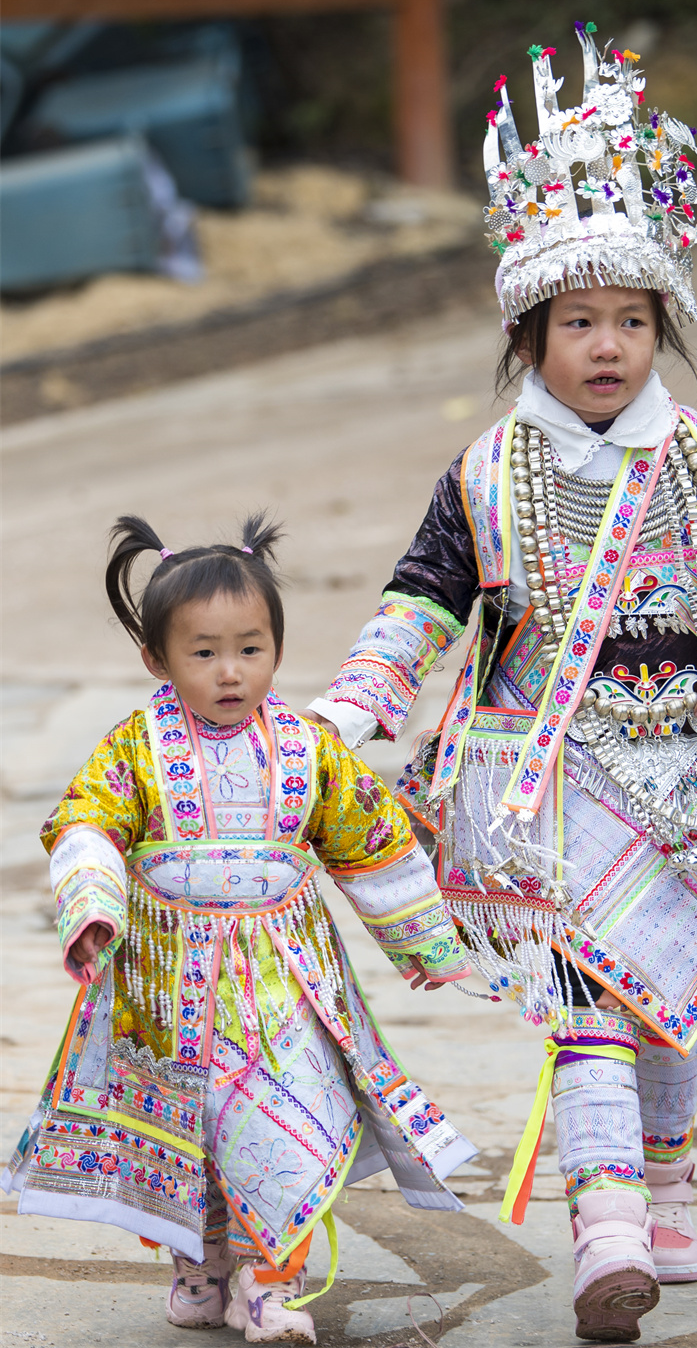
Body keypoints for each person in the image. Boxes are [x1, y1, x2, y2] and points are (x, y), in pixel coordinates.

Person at [305, 27, 697, 1344]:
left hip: (692, 770)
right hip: (545, 783)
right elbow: (425, 599)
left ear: (660, 327)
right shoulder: (487, 473)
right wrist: (356, 706)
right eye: (579, 322)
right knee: (589, 997)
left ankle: (666, 1195)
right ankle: (606, 1224)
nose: (607, 345)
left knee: (671, 988)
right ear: (530, 335)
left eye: (630, 320)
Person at [1, 514, 474, 1347]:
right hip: (167, 987)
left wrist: (425, 940)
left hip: (284, 980)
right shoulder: (132, 750)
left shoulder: (309, 750)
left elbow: (370, 842)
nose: (230, 672)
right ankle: (202, 1264)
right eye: (204, 652)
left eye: (250, 650)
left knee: (279, 1125)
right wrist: (94, 905)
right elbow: (85, 827)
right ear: (156, 659)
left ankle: (264, 1285)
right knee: (197, 1134)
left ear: (278, 652)